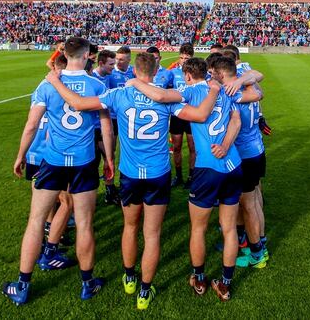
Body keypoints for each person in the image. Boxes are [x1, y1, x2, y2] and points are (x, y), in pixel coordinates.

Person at [47, 52, 220, 310]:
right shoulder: (165, 97)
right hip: (157, 173)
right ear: (156, 70)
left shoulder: (119, 94)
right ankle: (144, 290)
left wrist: (55, 81)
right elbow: (200, 115)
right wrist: (215, 91)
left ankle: (129, 276)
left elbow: (79, 104)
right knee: (152, 235)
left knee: (130, 227)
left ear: (134, 70)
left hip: (129, 174)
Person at [2, 37, 115, 305]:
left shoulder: (46, 83)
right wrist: (109, 160)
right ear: (87, 55)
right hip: (84, 162)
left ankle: (22, 285)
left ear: (64, 53)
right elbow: (106, 129)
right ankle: (88, 284)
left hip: (52, 161)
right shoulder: (97, 85)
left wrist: (20, 156)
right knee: (85, 224)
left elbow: (31, 126)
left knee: (35, 221)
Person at [130, 58, 243, 302]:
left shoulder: (189, 91)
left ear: (188, 75)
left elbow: (160, 97)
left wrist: (134, 82)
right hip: (233, 163)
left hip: (207, 167)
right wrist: (225, 145)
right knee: (230, 228)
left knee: (199, 228)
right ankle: (225, 284)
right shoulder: (223, 88)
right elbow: (237, 120)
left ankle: (199, 278)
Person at [14, 54, 76, 271]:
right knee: (67, 203)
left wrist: (21, 154)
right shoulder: (66, 89)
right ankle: (50, 250)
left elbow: (31, 125)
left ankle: (49, 242)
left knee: (41, 208)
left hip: (33, 154)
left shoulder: (41, 87)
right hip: (52, 156)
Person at [209, 57, 269, 269]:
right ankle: (260, 243)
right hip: (257, 149)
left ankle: (257, 255)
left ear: (220, 73)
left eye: (213, 73)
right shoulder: (249, 84)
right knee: (253, 202)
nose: (211, 76)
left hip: (244, 154)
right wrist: (245, 78)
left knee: (248, 206)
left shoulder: (230, 93)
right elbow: (258, 89)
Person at [102, 46, 135, 205]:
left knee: (130, 150)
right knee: (111, 153)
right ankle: (109, 188)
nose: (118, 62)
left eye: (122, 59)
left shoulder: (134, 72)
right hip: (114, 118)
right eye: (117, 58)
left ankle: (131, 180)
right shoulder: (110, 73)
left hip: (130, 117)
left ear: (129, 59)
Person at [168, 43, 196, 189]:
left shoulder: (196, 74)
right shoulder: (172, 73)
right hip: (177, 115)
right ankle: (178, 175)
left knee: (192, 147)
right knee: (177, 146)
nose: (183, 60)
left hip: (192, 115)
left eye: (187, 58)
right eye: (181, 57)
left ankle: (191, 176)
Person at [91, 49, 117, 191]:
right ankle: (91, 191)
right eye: (111, 64)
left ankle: (109, 189)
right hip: (94, 126)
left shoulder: (109, 77)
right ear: (101, 63)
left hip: (107, 123)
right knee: (93, 161)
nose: (114, 67)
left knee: (110, 156)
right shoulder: (92, 79)